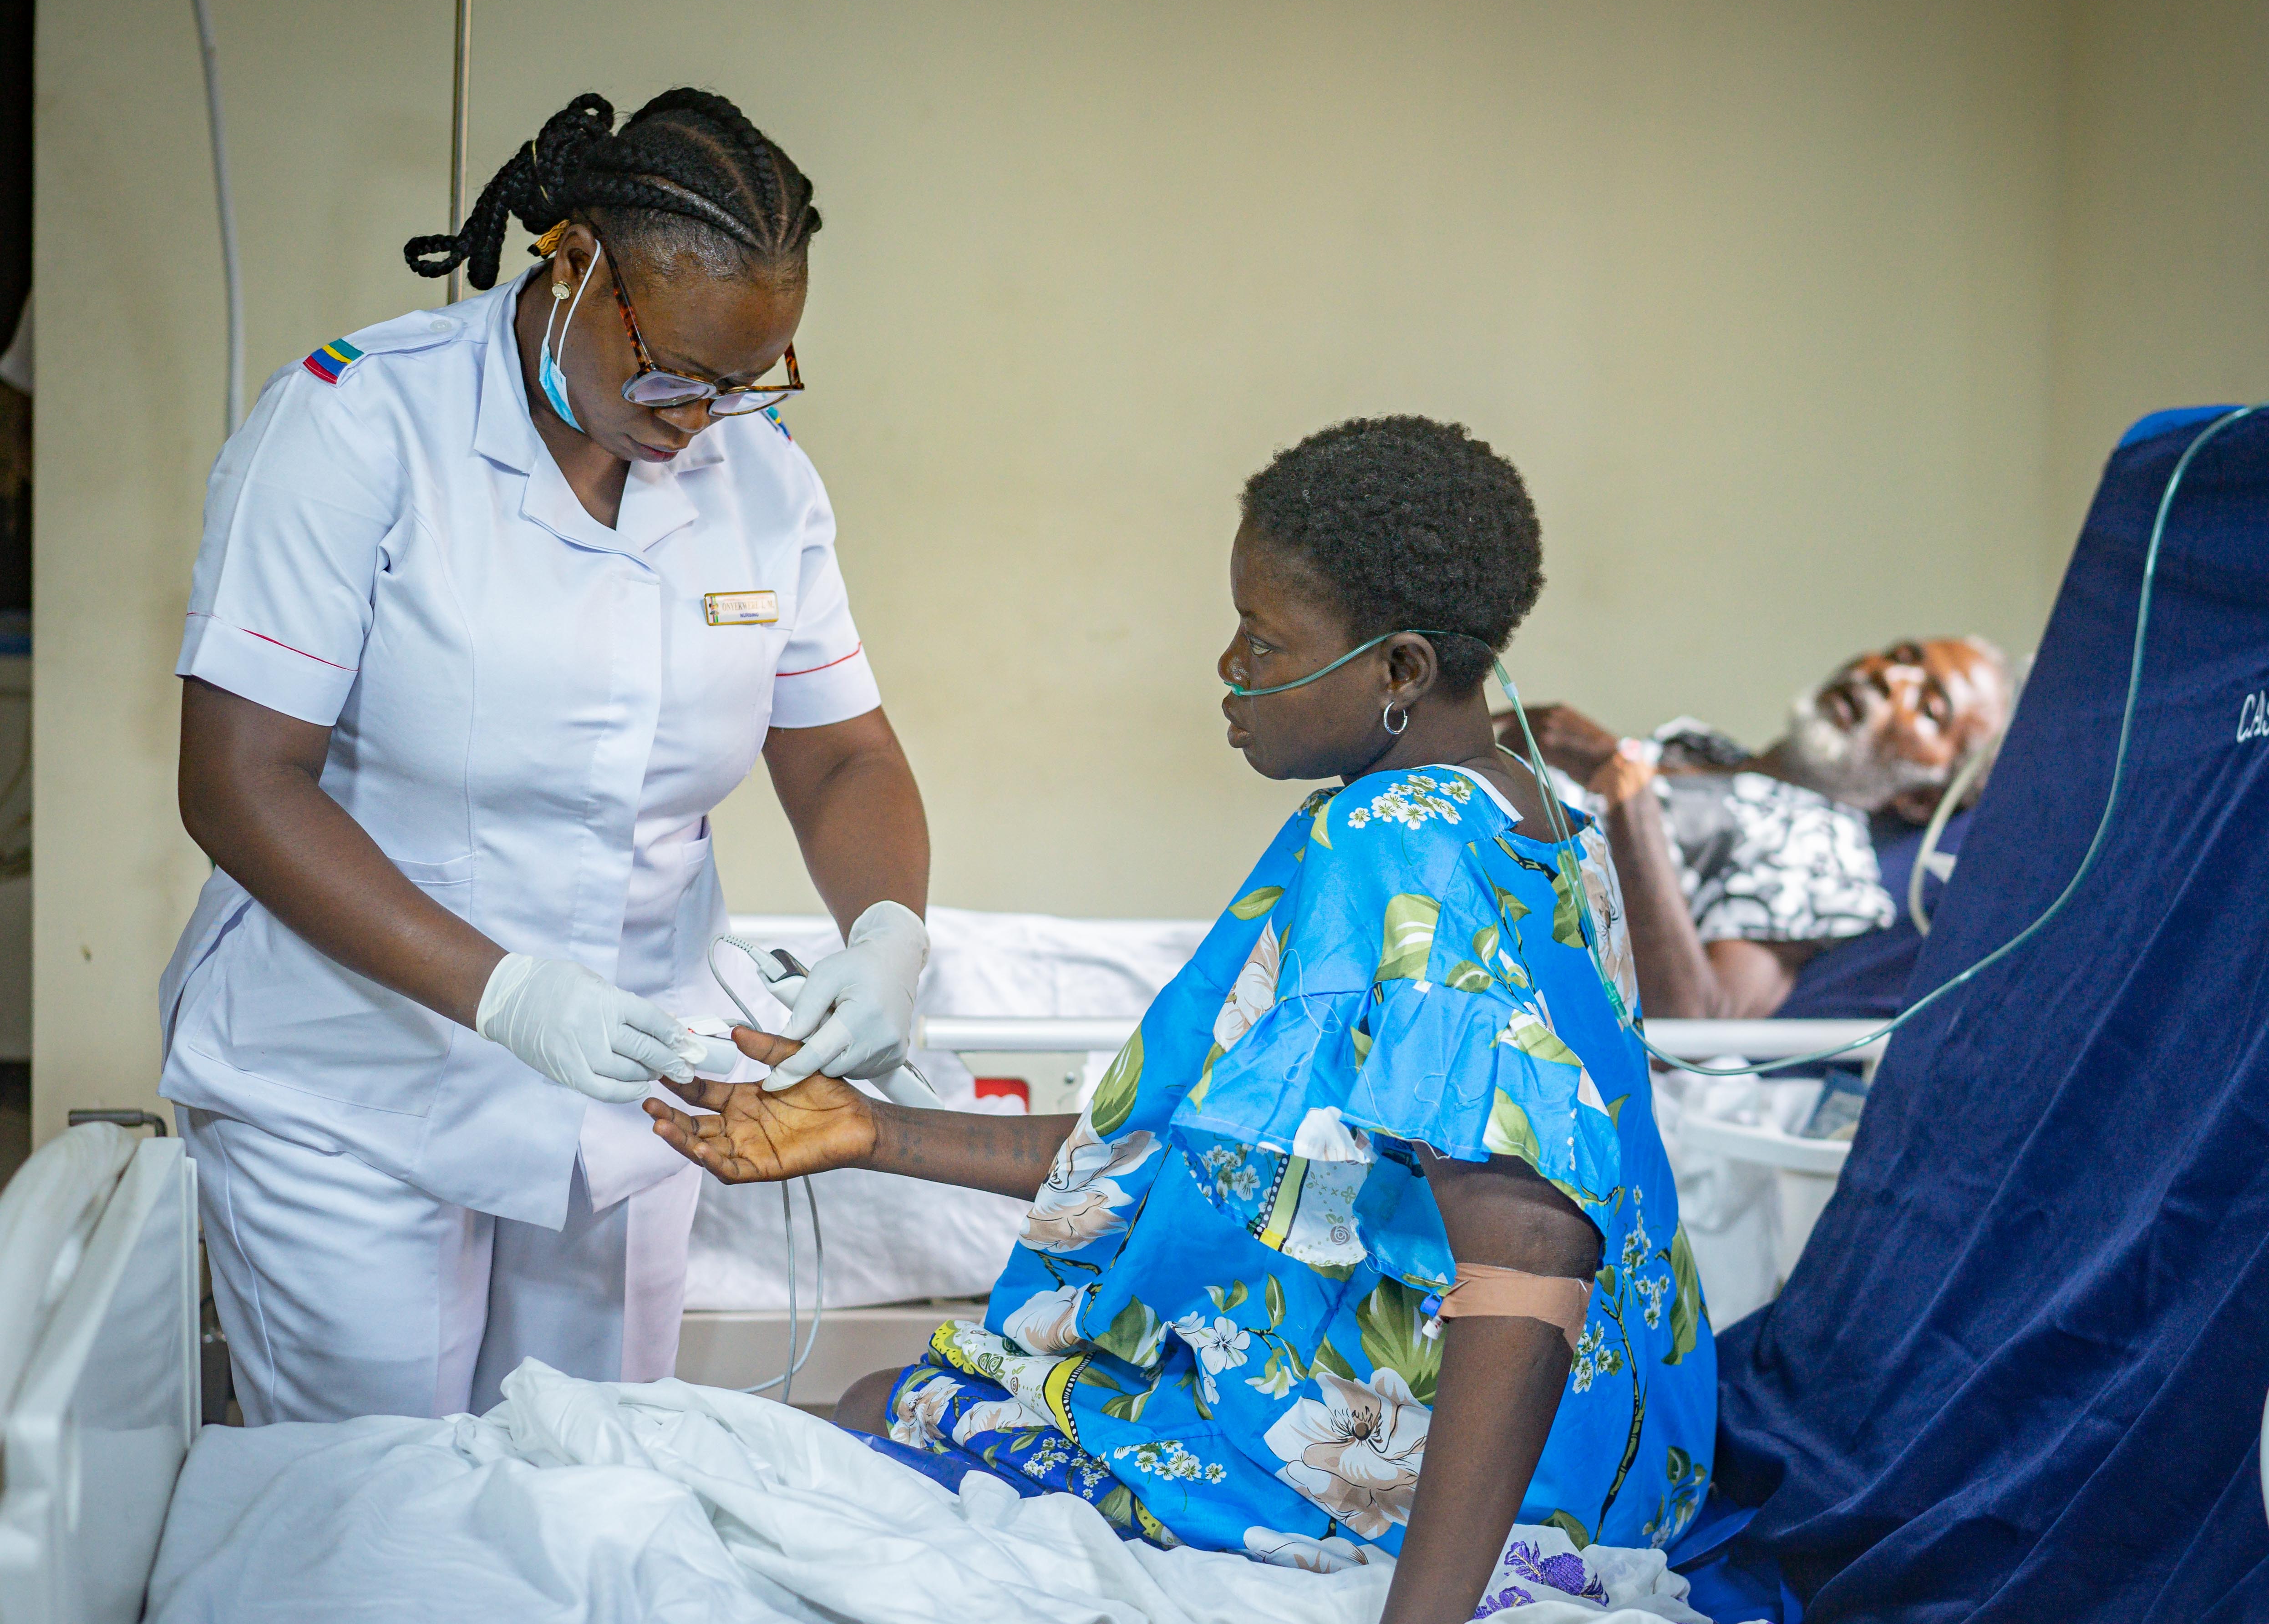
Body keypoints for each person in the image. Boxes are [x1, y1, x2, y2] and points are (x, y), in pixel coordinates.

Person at [649, 417, 1715, 1622]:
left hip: (1474, 1467)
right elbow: (1203, 1144)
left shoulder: (1389, 836)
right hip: (1620, 1443)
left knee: (890, 1412)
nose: (1227, 664)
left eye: (1262, 638)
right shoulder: (1527, 810)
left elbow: (1526, 1242)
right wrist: (864, 1127)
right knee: (898, 1397)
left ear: (1399, 669)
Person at [160, 90, 932, 1425]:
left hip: (626, 1096)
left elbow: (842, 754)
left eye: (746, 383)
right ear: (569, 265)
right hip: (355, 1083)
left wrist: (887, 934)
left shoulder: (764, 481)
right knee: (378, 1510)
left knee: (586, 1490)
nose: (700, 415)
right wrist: (509, 994)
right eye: (672, 370)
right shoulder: (358, 425)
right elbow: (239, 778)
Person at [1507, 637, 2014, 1021]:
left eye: (1929, 708)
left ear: (1921, 799)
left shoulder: (1825, 853)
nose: (1888, 677)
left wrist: (1625, 788)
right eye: (1899, 655)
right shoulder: (1702, 750)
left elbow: (1696, 1025)